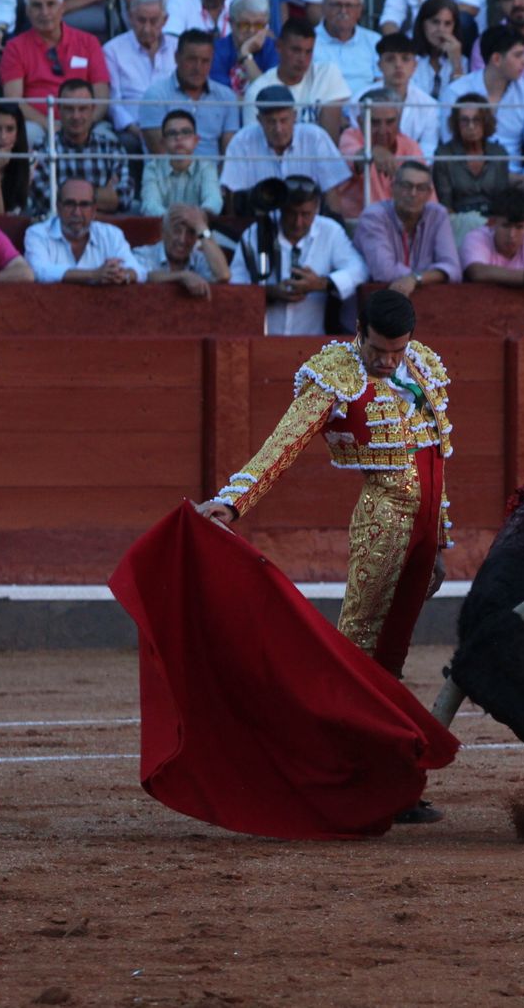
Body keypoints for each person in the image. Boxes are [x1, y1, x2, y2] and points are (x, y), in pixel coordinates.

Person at [194, 289, 454, 822]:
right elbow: (282, 444)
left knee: (392, 658)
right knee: (357, 654)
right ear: (359, 330)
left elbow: (437, 457)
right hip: (384, 523)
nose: (388, 361)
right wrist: (233, 502)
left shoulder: (421, 364)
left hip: (422, 531)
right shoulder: (334, 373)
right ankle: (334, 775)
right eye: (380, 350)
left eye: (397, 350)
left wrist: (442, 540)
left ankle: (384, 780)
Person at [230, 174, 367, 334]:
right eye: (291, 213)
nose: (298, 222)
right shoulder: (257, 231)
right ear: (280, 208)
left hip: (313, 344)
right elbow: (235, 282)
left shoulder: (330, 231)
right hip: (263, 338)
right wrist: (268, 293)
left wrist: (322, 284)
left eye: (306, 214)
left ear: (317, 208)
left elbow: (360, 270)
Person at [0, 0, 111, 147]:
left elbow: (102, 97)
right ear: (28, 11)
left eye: (51, 4)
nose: (44, 12)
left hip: (85, 122)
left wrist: (83, 125)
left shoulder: (88, 42)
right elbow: (14, 100)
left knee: (107, 138)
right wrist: (50, 125)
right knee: (27, 135)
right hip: (39, 124)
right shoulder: (14, 47)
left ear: (62, 7)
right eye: (37, 6)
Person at [440, 24, 524, 173]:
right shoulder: (456, 92)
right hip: (467, 178)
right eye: (518, 55)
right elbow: (452, 147)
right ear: (496, 59)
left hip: (515, 180)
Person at [219, 84, 348, 207]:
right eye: (271, 122)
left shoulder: (316, 137)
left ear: (295, 117)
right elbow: (234, 195)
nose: (278, 129)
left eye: (284, 120)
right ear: (259, 120)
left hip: (309, 223)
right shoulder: (242, 142)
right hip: (258, 222)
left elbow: (333, 192)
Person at [27, 79, 131, 218]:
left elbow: (124, 197)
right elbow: (46, 199)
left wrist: (66, 195)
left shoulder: (111, 147)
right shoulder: (43, 146)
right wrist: (103, 196)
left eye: (82, 109)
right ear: (59, 109)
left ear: (93, 109)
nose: (76, 116)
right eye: (69, 109)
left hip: (103, 231)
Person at [353, 158, 461, 291]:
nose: (413, 193)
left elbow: (453, 270)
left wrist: (415, 279)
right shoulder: (373, 216)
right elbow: (384, 272)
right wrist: (430, 276)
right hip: (379, 300)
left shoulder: (438, 215)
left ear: (429, 194)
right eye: (406, 186)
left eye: (421, 188)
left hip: (427, 301)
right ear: (392, 188)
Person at [138, 29, 241, 157]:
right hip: (167, 175)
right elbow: (160, 154)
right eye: (192, 60)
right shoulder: (155, 96)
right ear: (176, 58)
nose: (198, 68)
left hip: (214, 175)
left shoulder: (226, 97)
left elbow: (229, 154)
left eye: (205, 61)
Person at [243, 17, 351, 139]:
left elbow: (329, 143)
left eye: (308, 51)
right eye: (296, 50)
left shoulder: (326, 74)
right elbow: (254, 144)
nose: (302, 59)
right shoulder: (257, 91)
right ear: (279, 47)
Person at [23, 176, 142, 283]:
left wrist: (122, 275)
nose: (77, 212)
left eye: (84, 205)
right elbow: (39, 271)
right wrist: (94, 275)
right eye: (70, 204)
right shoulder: (37, 234)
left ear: (94, 210)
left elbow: (138, 270)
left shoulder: (112, 234)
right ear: (58, 207)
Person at [103, 0, 176, 160]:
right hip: (134, 128)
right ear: (130, 18)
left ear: (165, 20)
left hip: (174, 125)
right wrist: (139, 131)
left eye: (154, 21)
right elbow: (114, 103)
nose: (147, 28)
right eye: (141, 20)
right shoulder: (112, 50)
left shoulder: (178, 48)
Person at [335, 87, 429, 219]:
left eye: (390, 122)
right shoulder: (350, 137)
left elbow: (427, 197)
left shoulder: (410, 145)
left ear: (399, 121)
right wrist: (371, 152)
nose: (382, 130)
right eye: (374, 122)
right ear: (360, 122)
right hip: (361, 225)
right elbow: (355, 159)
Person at [351, 31, 440, 155]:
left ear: (415, 66)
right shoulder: (360, 99)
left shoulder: (429, 105)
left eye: (405, 59)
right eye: (390, 59)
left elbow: (428, 150)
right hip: (372, 166)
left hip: (414, 169)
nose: (398, 65)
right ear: (379, 65)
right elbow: (356, 141)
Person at [432, 92, 512, 212]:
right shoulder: (444, 155)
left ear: (485, 122)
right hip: (457, 220)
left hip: (493, 220)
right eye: (464, 120)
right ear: (456, 124)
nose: (471, 126)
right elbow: (445, 204)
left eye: (477, 120)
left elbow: (503, 200)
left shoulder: (498, 153)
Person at [139, 109, 223, 215]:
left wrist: (193, 220)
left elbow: (214, 202)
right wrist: (177, 221)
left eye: (186, 132)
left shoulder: (206, 167)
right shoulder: (152, 168)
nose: (179, 138)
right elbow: (150, 206)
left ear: (196, 140)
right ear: (163, 142)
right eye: (172, 133)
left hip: (198, 227)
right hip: (162, 228)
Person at [136, 203, 230, 297]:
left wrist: (201, 227)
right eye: (177, 231)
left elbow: (223, 275)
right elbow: (145, 275)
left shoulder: (200, 259)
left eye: (191, 232)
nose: (182, 240)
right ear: (163, 232)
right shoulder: (143, 254)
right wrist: (182, 276)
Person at [314, 0, 379, 94]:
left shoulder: (375, 42)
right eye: (337, 5)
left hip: (365, 110)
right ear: (323, 8)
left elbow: (382, 86)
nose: (343, 11)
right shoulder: (308, 41)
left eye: (349, 5)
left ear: (360, 10)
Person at [210, 0, 276, 95]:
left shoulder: (272, 49)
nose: (251, 31)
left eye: (258, 25)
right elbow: (222, 97)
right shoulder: (216, 50)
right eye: (245, 25)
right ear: (231, 23)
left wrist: (246, 54)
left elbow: (269, 95)